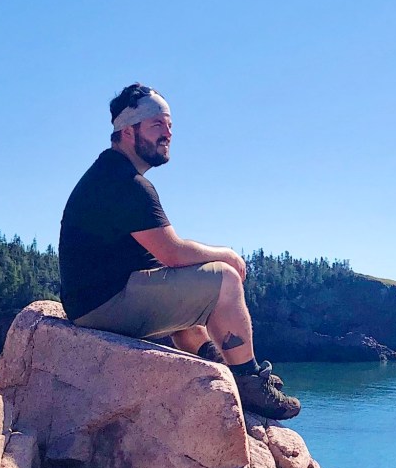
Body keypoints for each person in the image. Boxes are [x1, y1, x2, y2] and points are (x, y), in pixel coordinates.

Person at [58, 83, 300, 420]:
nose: (168, 133)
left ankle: (217, 363)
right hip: (104, 306)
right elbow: (172, 252)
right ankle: (249, 381)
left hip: (93, 302)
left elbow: (165, 264)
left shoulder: (109, 173)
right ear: (128, 131)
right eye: (157, 124)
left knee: (184, 286)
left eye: (170, 125)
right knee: (225, 280)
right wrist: (226, 255)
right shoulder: (127, 184)